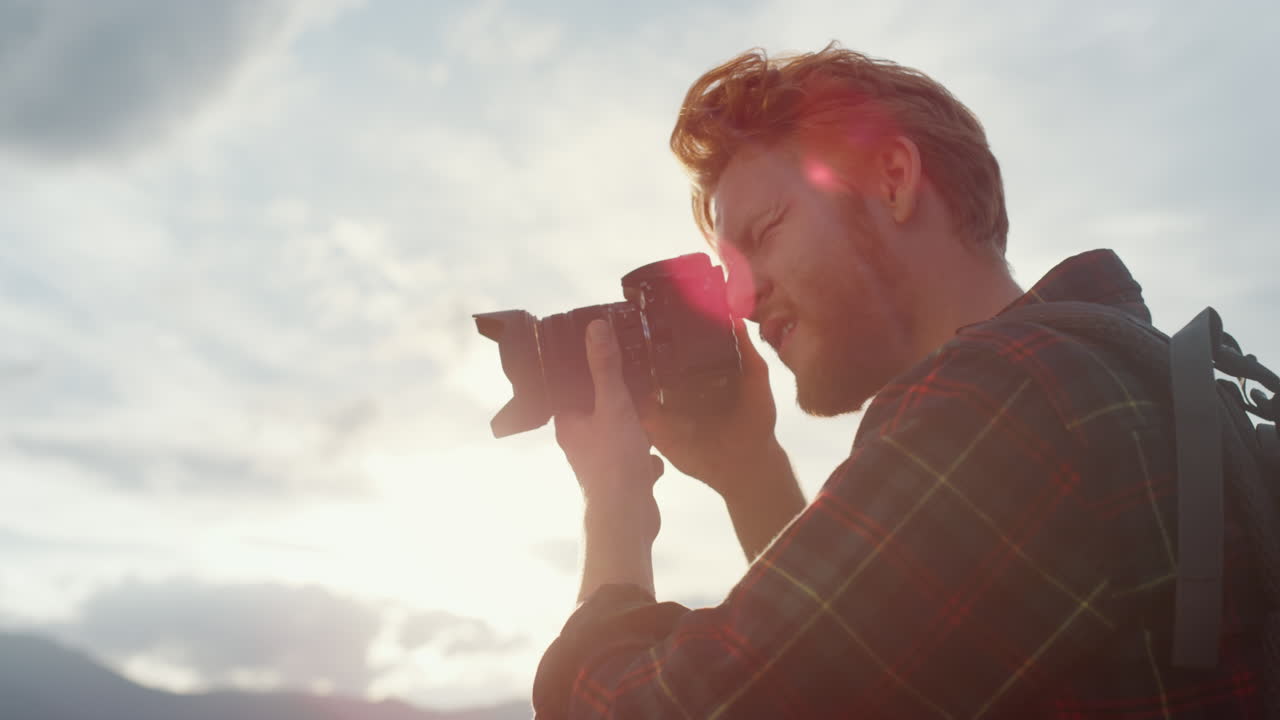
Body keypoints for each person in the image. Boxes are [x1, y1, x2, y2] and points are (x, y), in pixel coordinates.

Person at [532, 44, 1264, 718]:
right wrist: (751, 474)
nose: (744, 302)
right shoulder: (1112, 370)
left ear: (892, 181)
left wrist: (616, 505)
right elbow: (861, 675)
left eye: (766, 232)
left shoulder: (1008, 401)